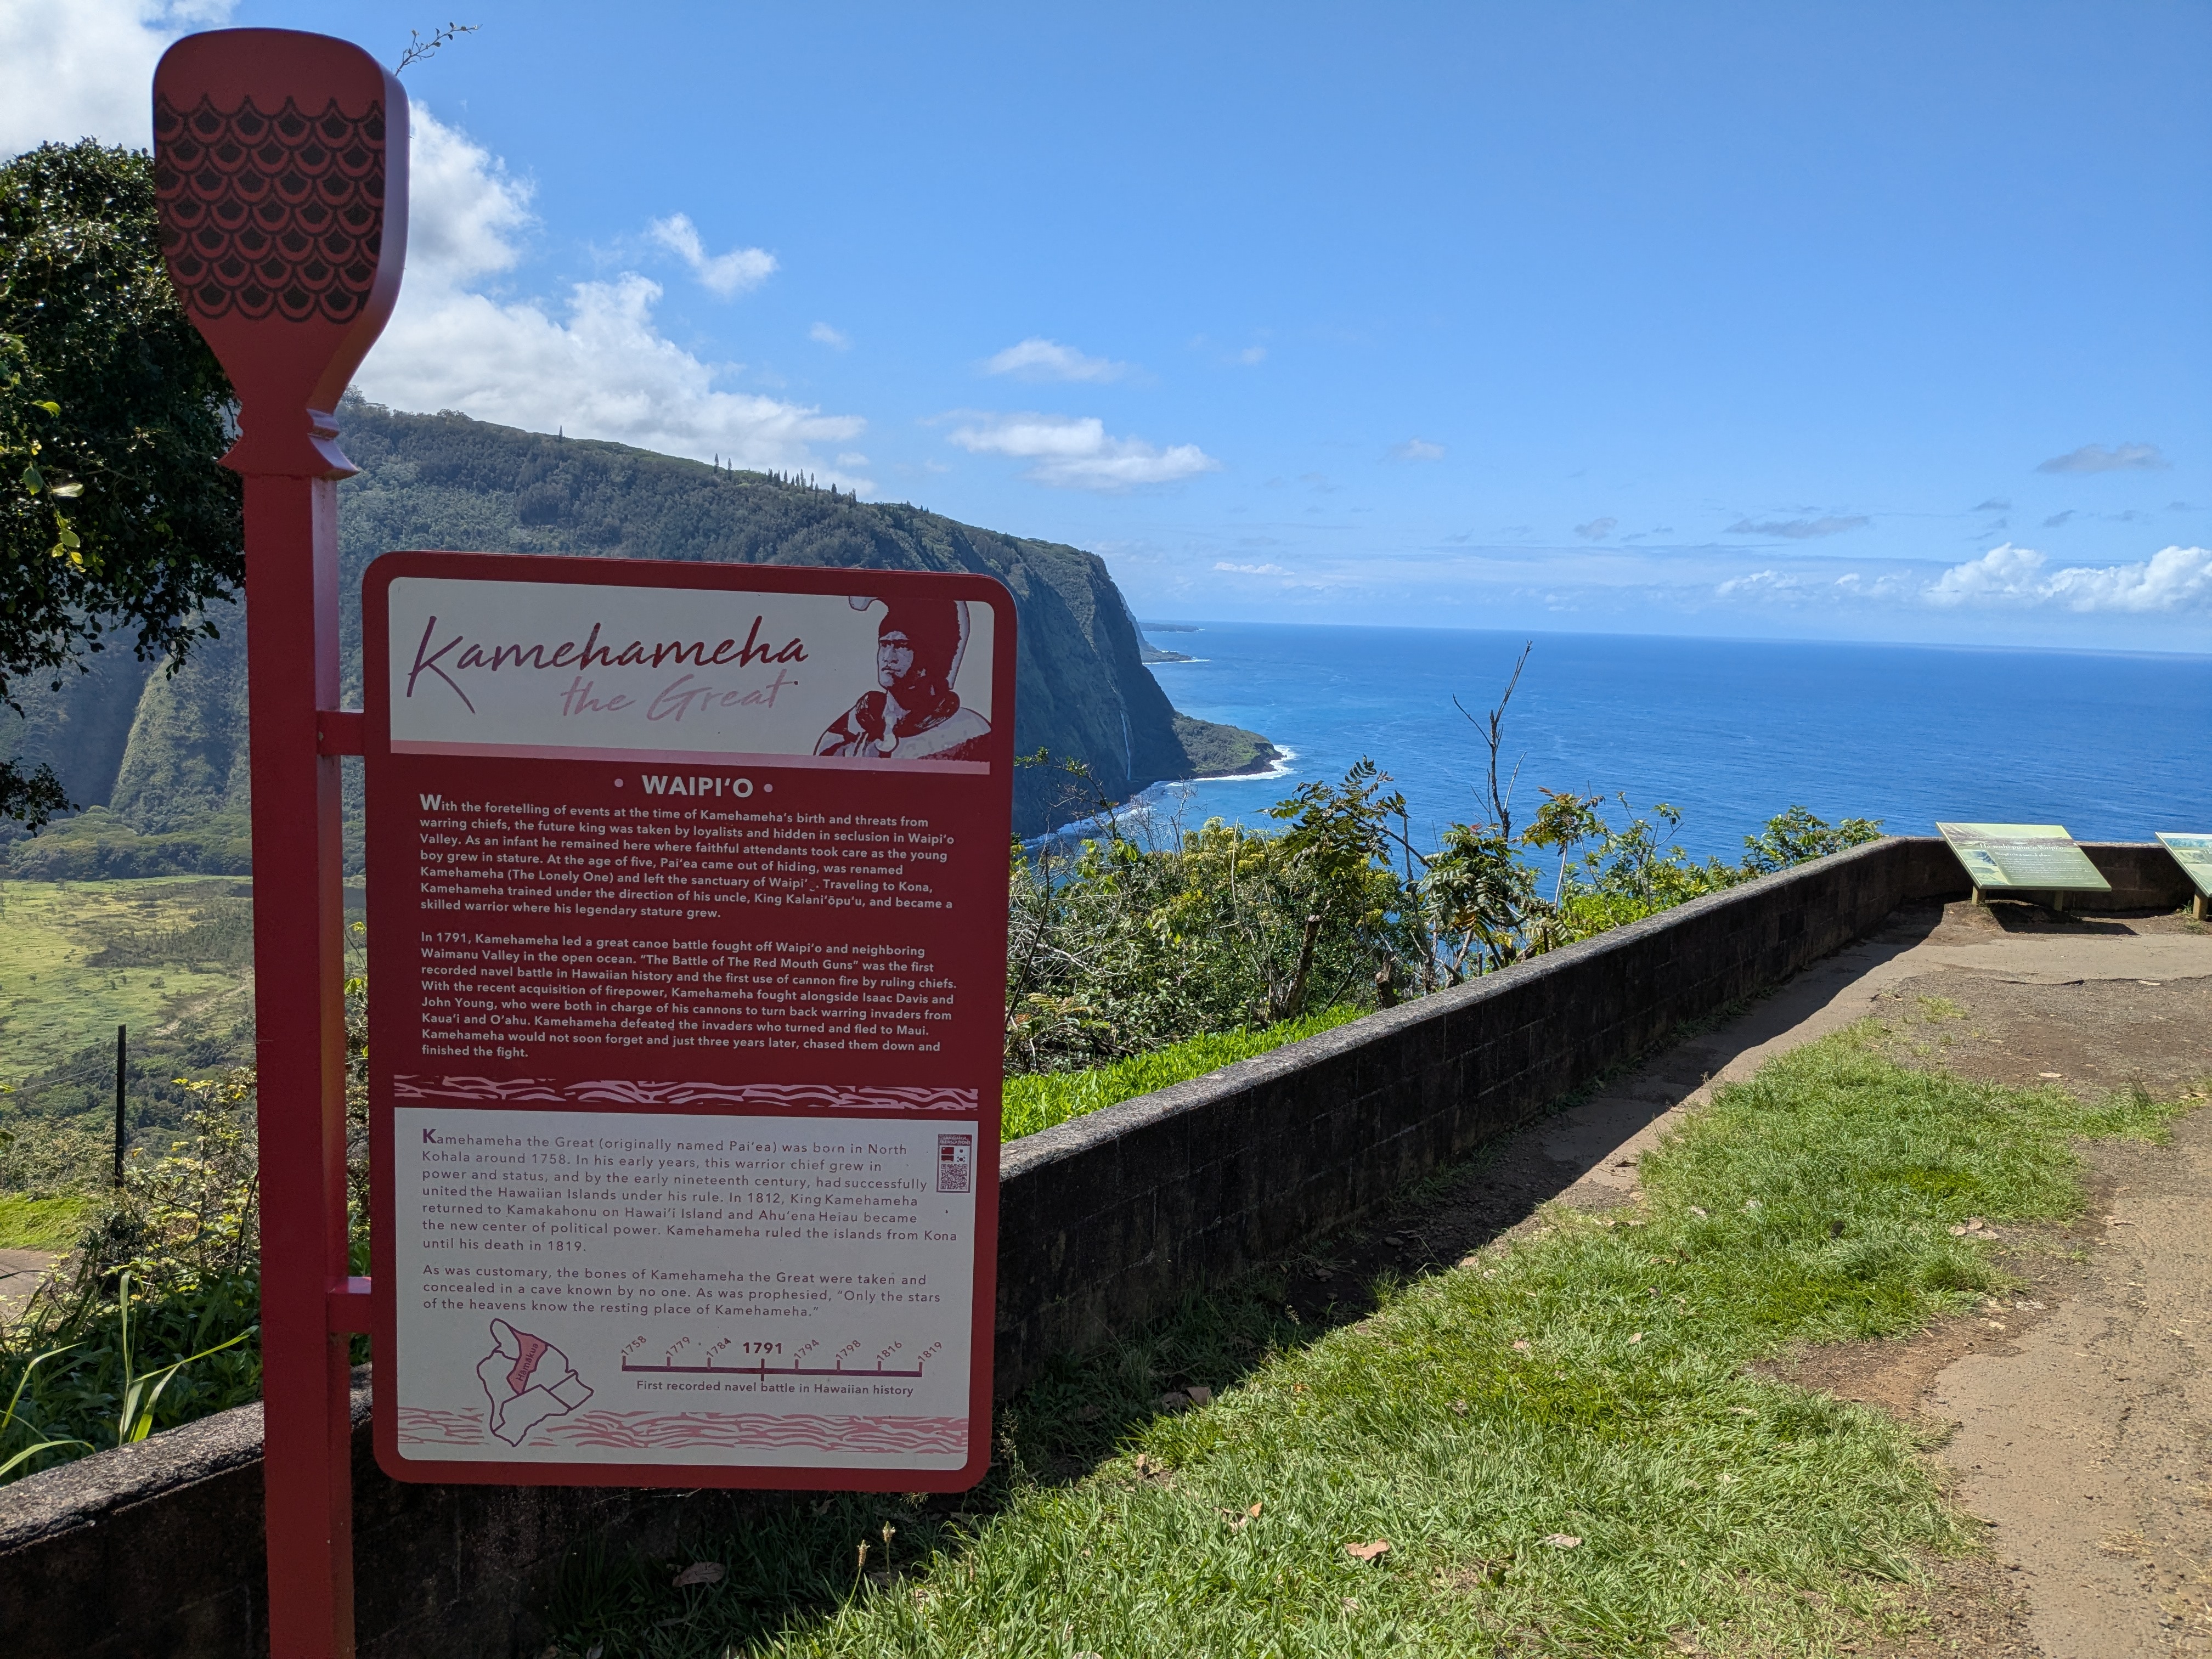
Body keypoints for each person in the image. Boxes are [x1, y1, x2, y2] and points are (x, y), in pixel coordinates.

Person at [815, 597, 991, 761]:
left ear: (929, 657)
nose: (888, 657)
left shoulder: (969, 731)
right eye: (884, 645)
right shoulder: (850, 727)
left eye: (902, 646)